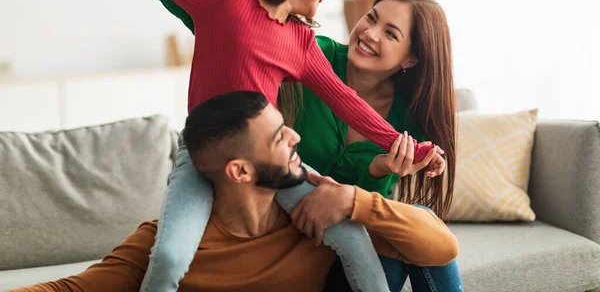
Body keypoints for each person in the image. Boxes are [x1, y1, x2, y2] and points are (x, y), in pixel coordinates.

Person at [31, 0, 445, 292]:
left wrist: (416, 148)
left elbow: (346, 102)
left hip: (274, 161)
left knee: (353, 240)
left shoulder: (301, 42)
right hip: (201, 155)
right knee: (172, 255)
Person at [138, 0, 464, 291]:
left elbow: (359, 208)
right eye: (371, 18)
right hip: (289, 239)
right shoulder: (306, 51)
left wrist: (379, 169)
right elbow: (230, 26)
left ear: (410, 58)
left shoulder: (408, 118)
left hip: (347, 243)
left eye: (390, 33)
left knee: (419, 233)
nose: (369, 33)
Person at [11, 91, 459, 292]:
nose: (297, 140)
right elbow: (70, 288)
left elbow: (441, 248)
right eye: (280, 137)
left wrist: (353, 199)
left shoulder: (316, 216)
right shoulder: (166, 241)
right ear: (240, 170)